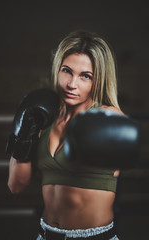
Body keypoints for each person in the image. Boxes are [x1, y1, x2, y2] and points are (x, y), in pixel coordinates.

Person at [7, 30, 139, 240]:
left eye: (85, 76)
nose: (71, 84)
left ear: (99, 80)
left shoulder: (106, 117)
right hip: (46, 234)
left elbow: (124, 138)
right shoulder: (43, 117)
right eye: (66, 71)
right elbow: (16, 185)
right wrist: (23, 133)